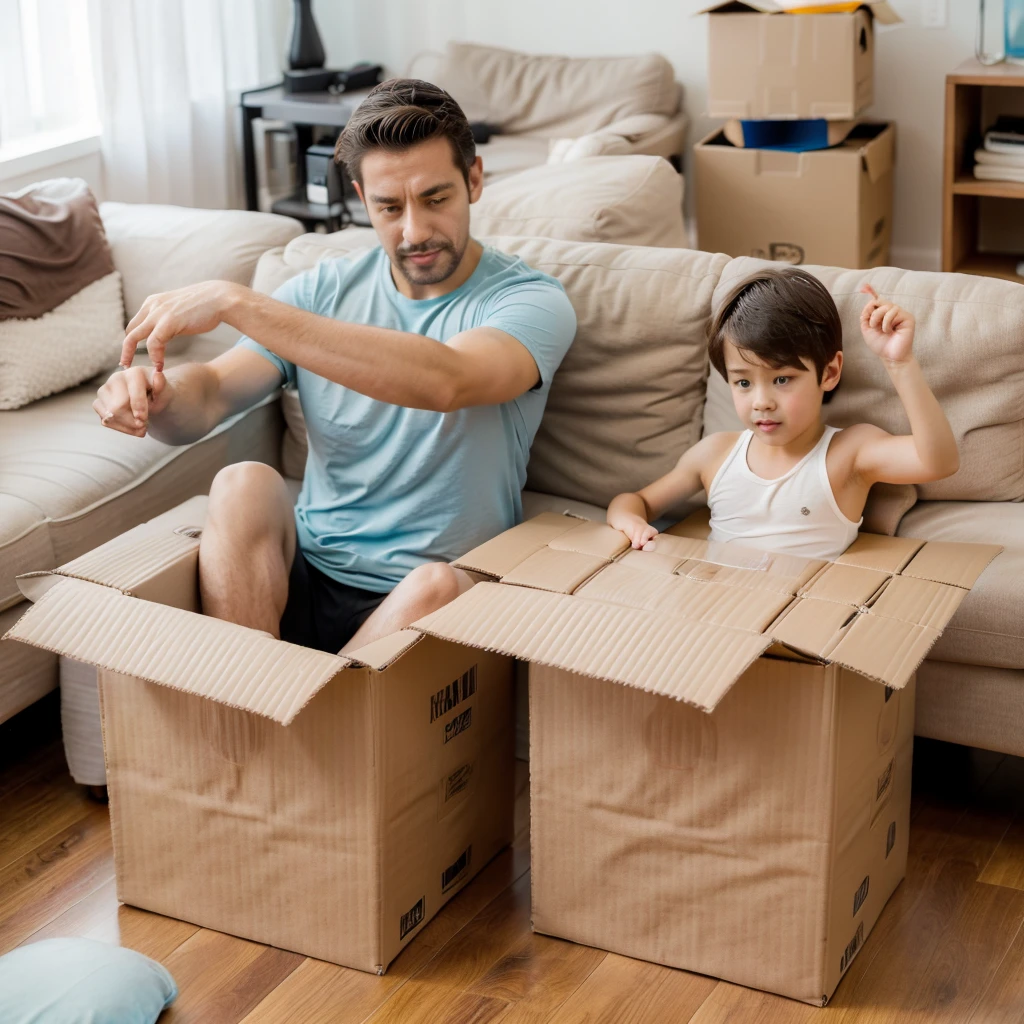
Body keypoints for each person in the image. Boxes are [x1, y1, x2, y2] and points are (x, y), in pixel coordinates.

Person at [92, 78, 577, 653]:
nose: (414, 231)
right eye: (389, 207)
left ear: (474, 179)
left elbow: (446, 379)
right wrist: (152, 396)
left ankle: (288, 713)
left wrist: (236, 301)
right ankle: (259, 691)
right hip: (304, 570)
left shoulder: (530, 302)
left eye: (436, 198)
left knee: (440, 584)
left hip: (420, 598)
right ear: (360, 197)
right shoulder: (322, 291)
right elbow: (211, 397)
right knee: (241, 483)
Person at [607, 266, 959, 560]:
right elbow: (635, 501)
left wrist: (899, 362)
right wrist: (631, 522)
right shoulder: (714, 454)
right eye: (743, 383)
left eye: (781, 379)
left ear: (830, 372)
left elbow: (938, 461)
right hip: (719, 613)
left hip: (798, 623)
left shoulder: (849, 454)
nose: (762, 401)